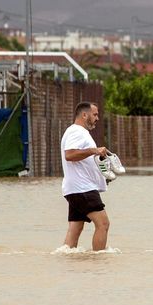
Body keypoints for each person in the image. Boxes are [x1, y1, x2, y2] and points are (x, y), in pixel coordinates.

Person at [60, 101, 111, 251]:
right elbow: (69, 154)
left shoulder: (76, 132)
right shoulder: (77, 131)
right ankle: (98, 260)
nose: (97, 118)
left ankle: (67, 263)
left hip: (75, 188)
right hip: (82, 189)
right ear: (84, 115)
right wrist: (94, 150)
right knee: (103, 224)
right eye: (95, 114)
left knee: (75, 229)